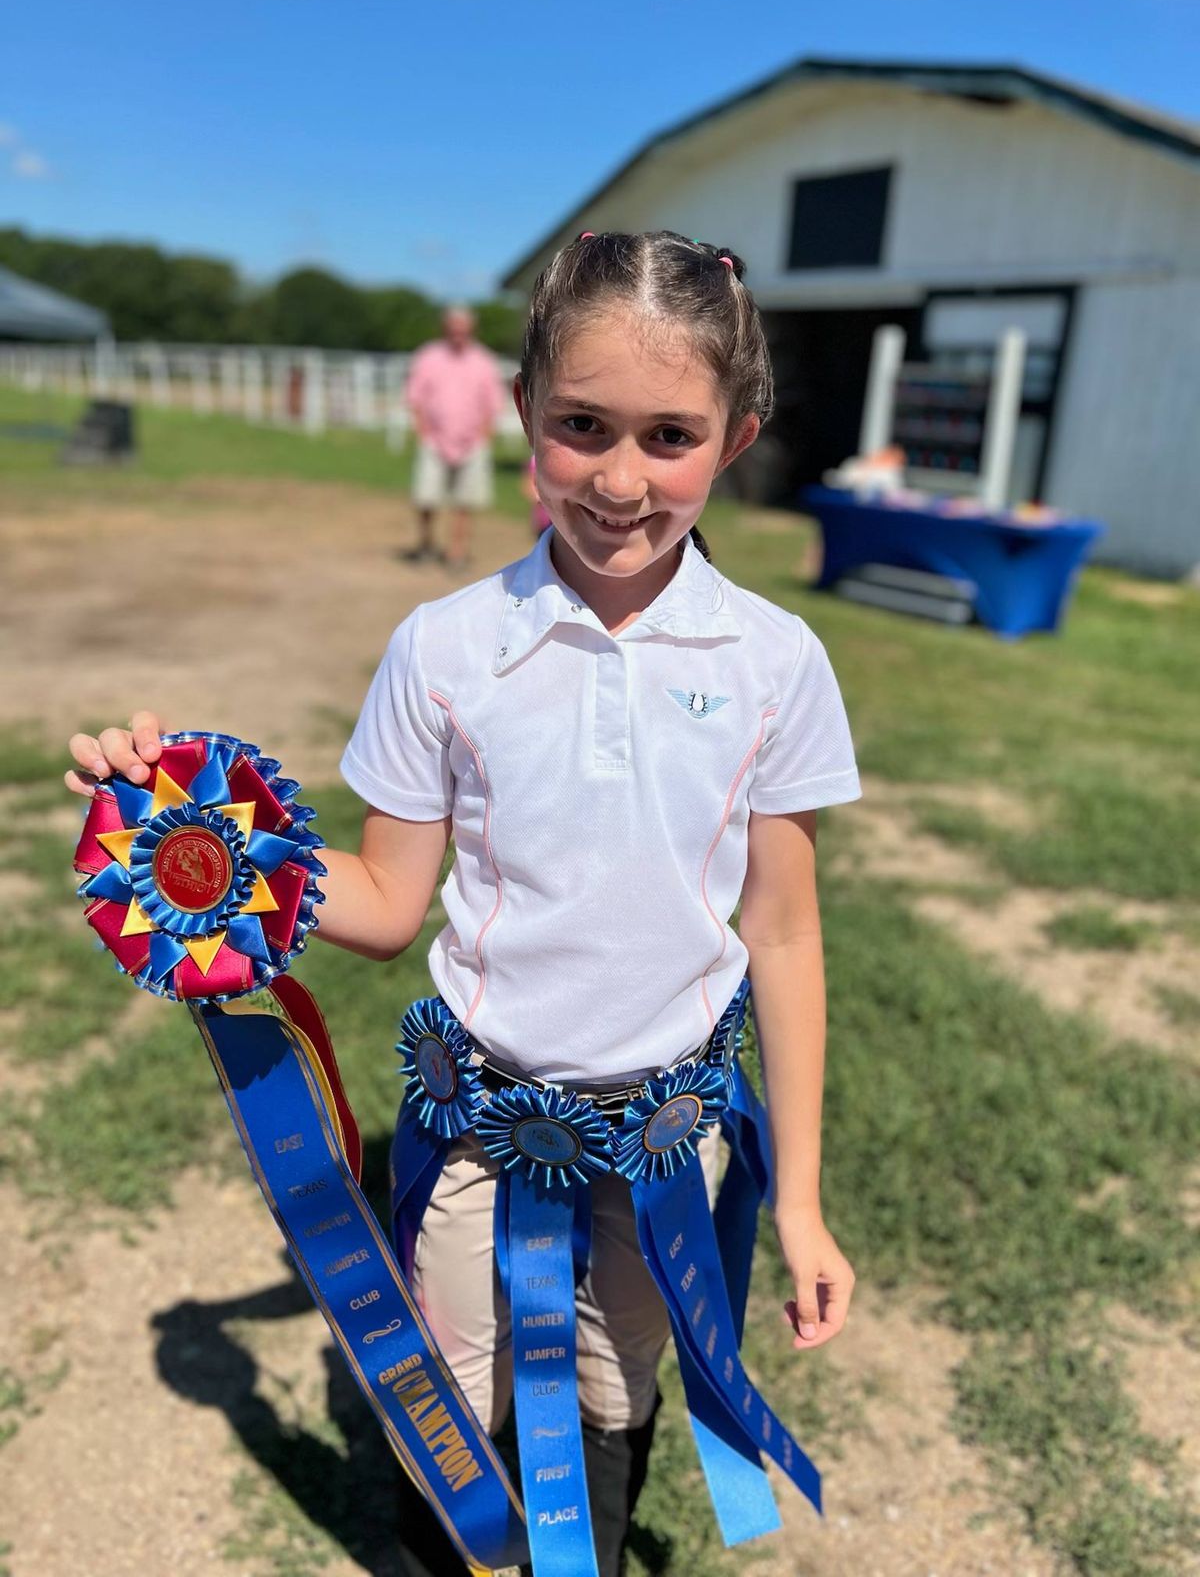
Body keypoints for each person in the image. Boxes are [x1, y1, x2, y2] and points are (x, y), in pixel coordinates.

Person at [65, 231, 860, 1577]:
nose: (618, 478)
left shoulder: (777, 662)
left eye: (670, 435)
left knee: (618, 1395)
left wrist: (800, 1205)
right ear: (520, 414)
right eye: (581, 427)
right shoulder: (444, 648)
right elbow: (382, 900)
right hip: (479, 1133)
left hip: (670, 1145)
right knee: (454, 1406)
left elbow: (781, 930)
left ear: (737, 439)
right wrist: (195, 841)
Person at [405, 305, 506, 570]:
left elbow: (493, 403)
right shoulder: (429, 357)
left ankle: (456, 550)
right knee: (426, 496)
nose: (457, 335)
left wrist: (484, 435)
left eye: (463, 330)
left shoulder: (484, 361)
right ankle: (426, 544)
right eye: (453, 330)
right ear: (445, 329)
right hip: (434, 439)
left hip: (472, 442)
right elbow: (415, 395)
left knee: (465, 500)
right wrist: (422, 430)